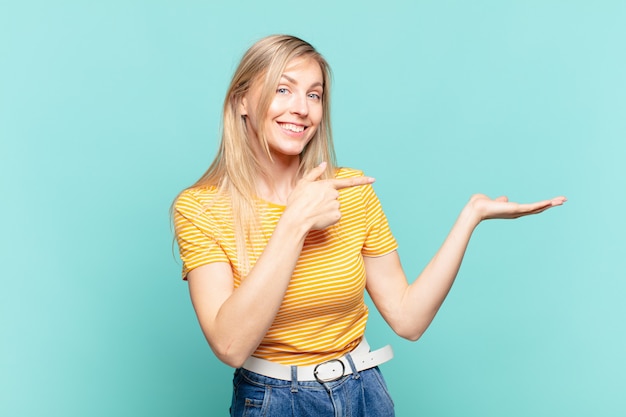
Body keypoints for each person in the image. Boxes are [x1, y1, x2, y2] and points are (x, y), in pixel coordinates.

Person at [173, 34, 566, 417]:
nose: (302, 108)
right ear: (242, 100)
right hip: (275, 400)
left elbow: (408, 319)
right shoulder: (200, 208)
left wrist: (470, 217)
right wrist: (295, 222)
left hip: (365, 391)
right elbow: (230, 346)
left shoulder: (352, 191)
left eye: (314, 94)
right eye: (283, 89)